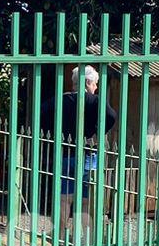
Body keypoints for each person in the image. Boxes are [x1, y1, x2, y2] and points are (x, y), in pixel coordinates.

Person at [41, 66, 118, 230]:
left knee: (64, 198)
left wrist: (54, 130)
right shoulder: (95, 101)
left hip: (66, 154)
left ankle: (59, 236)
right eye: (95, 83)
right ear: (88, 82)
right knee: (86, 199)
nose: (96, 87)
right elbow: (112, 116)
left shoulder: (61, 99)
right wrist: (98, 130)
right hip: (88, 154)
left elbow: (42, 112)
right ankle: (84, 239)